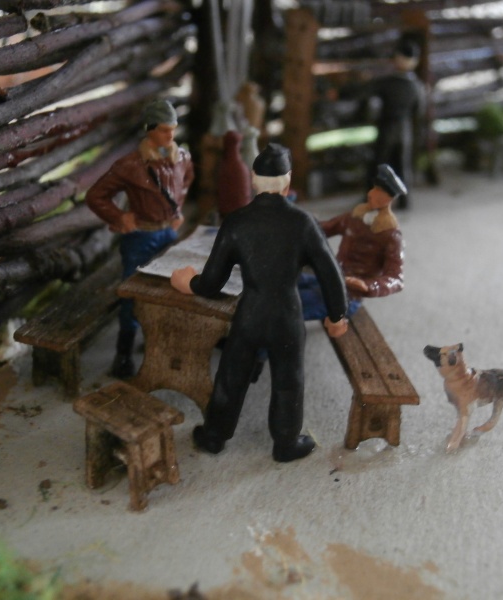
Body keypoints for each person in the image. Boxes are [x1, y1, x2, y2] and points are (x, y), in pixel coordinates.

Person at [170, 144, 348, 463]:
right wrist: (337, 315)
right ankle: (286, 442)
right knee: (288, 380)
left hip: (249, 314)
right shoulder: (304, 223)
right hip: (287, 316)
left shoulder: (237, 222)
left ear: (253, 180)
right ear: (287, 182)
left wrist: (189, 283)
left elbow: (212, 282)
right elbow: (330, 273)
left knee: (231, 375)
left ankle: (214, 436)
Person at [86, 99, 194, 377]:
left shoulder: (181, 157)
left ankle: (155, 341)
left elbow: (187, 179)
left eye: (173, 129)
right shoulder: (131, 165)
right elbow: (96, 195)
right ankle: (123, 354)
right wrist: (120, 217)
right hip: (141, 236)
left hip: (168, 233)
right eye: (163, 130)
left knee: (167, 290)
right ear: (149, 129)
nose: (170, 136)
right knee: (131, 295)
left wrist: (177, 208)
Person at [299, 163, 406, 321]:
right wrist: (303, 226)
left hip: (348, 296)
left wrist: (369, 286)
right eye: (374, 188)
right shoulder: (354, 218)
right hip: (333, 277)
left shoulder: (390, 235)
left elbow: (396, 278)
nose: (371, 193)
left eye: (379, 191)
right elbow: (325, 229)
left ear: (389, 198)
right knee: (287, 282)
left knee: (293, 304)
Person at [368, 37, 425, 209]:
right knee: (402, 165)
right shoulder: (417, 86)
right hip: (405, 128)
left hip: (388, 126)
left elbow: (372, 103)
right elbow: (419, 110)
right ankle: (405, 201)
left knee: (381, 163)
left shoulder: (388, 83)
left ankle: (375, 199)